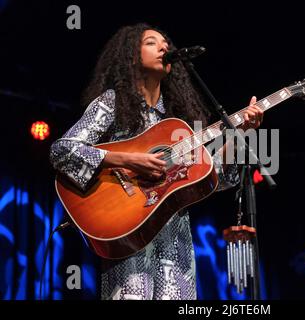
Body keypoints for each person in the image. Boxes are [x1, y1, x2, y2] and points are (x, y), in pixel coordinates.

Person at [49, 23, 263, 300]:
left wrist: (240, 134)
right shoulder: (112, 103)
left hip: (177, 244)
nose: (164, 47)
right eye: (152, 42)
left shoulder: (178, 122)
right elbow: (63, 150)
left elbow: (215, 178)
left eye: (166, 43)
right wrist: (128, 160)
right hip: (127, 237)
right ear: (131, 56)